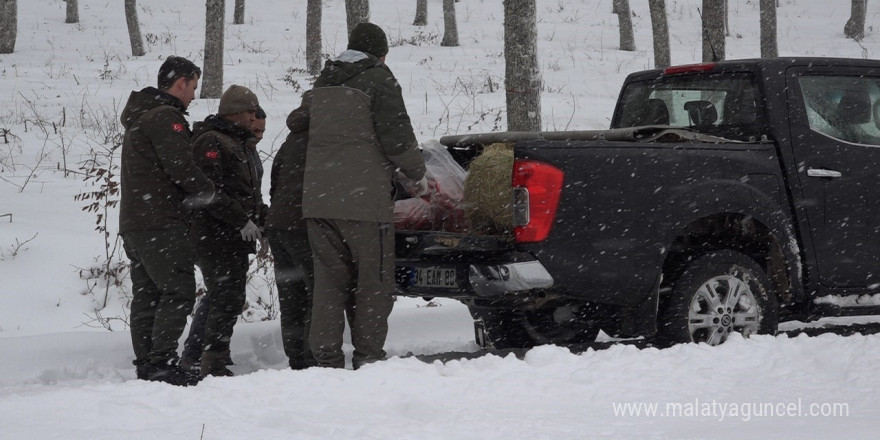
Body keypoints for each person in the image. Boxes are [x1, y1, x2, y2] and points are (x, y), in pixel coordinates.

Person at [289, 22, 428, 369]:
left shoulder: (324, 81)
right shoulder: (381, 80)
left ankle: (327, 360)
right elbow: (397, 140)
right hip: (364, 203)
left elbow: (297, 121)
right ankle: (368, 360)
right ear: (380, 54)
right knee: (373, 283)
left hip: (319, 202)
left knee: (329, 284)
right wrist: (418, 175)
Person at [119, 56, 215, 386]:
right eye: (193, 87)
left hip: (135, 223)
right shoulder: (165, 118)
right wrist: (209, 191)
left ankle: (148, 363)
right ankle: (161, 361)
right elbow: (182, 168)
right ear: (181, 83)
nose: (193, 96)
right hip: (161, 222)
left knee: (147, 294)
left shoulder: (140, 118)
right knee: (177, 291)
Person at [180, 106, 267, 371]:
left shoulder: (247, 151)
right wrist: (241, 220)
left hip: (231, 234)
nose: (258, 135)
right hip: (215, 234)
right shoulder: (218, 143)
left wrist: (262, 223)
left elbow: (252, 197)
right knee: (223, 295)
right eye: (254, 128)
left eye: (262, 130)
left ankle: (203, 353)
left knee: (222, 294)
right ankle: (203, 355)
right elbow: (211, 192)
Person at [264, 115, 315, 370]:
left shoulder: (291, 139)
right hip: (304, 226)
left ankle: (296, 356)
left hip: (279, 225)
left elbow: (274, 183)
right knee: (317, 293)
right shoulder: (323, 138)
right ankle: (311, 356)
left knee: (291, 294)